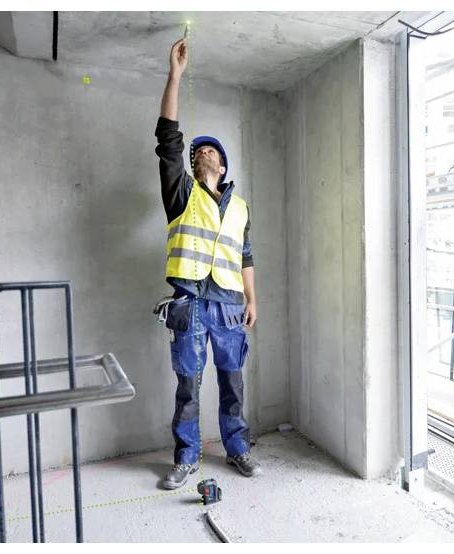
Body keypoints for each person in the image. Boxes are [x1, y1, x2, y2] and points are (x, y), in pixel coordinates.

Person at [154, 37, 261, 489]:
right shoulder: (181, 194)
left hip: (231, 305)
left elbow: (246, 256)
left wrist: (253, 300)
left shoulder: (240, 207)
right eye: (197, 152)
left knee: (233, 382)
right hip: (190, 302)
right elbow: (168, 139)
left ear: (223, 163)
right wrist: (175, 75)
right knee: (188, 386)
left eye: (210, 151)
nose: (202, 153)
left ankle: (237, 448)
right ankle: (187, 457)